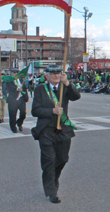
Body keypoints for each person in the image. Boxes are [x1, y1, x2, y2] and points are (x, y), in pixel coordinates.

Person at [31, 65, 81, 204]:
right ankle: (52, 191)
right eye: (52, 73)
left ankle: (53, 178)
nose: (55, 76)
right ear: (47, 75)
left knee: (63, 158)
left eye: (58, 73)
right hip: (46, 130)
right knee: (49, 161)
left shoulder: (65, 87)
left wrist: (68, 83)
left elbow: (76, 96)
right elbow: (35, 110)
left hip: (63, 129)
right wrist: (51, 111)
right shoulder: (40, 89)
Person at [3, 69, 28, 133]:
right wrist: (17, 89)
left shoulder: (21, 79)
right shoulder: (9, 80)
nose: (15, 73)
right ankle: (13, 127)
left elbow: (24, 88)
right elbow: (9, 87)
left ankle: (19, 123)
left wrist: (26, 97)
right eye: (14, 72)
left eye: (17, 72)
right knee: (12, 115)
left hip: (21, 99)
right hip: (13, 99)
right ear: (11, 73)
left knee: (23, 113)